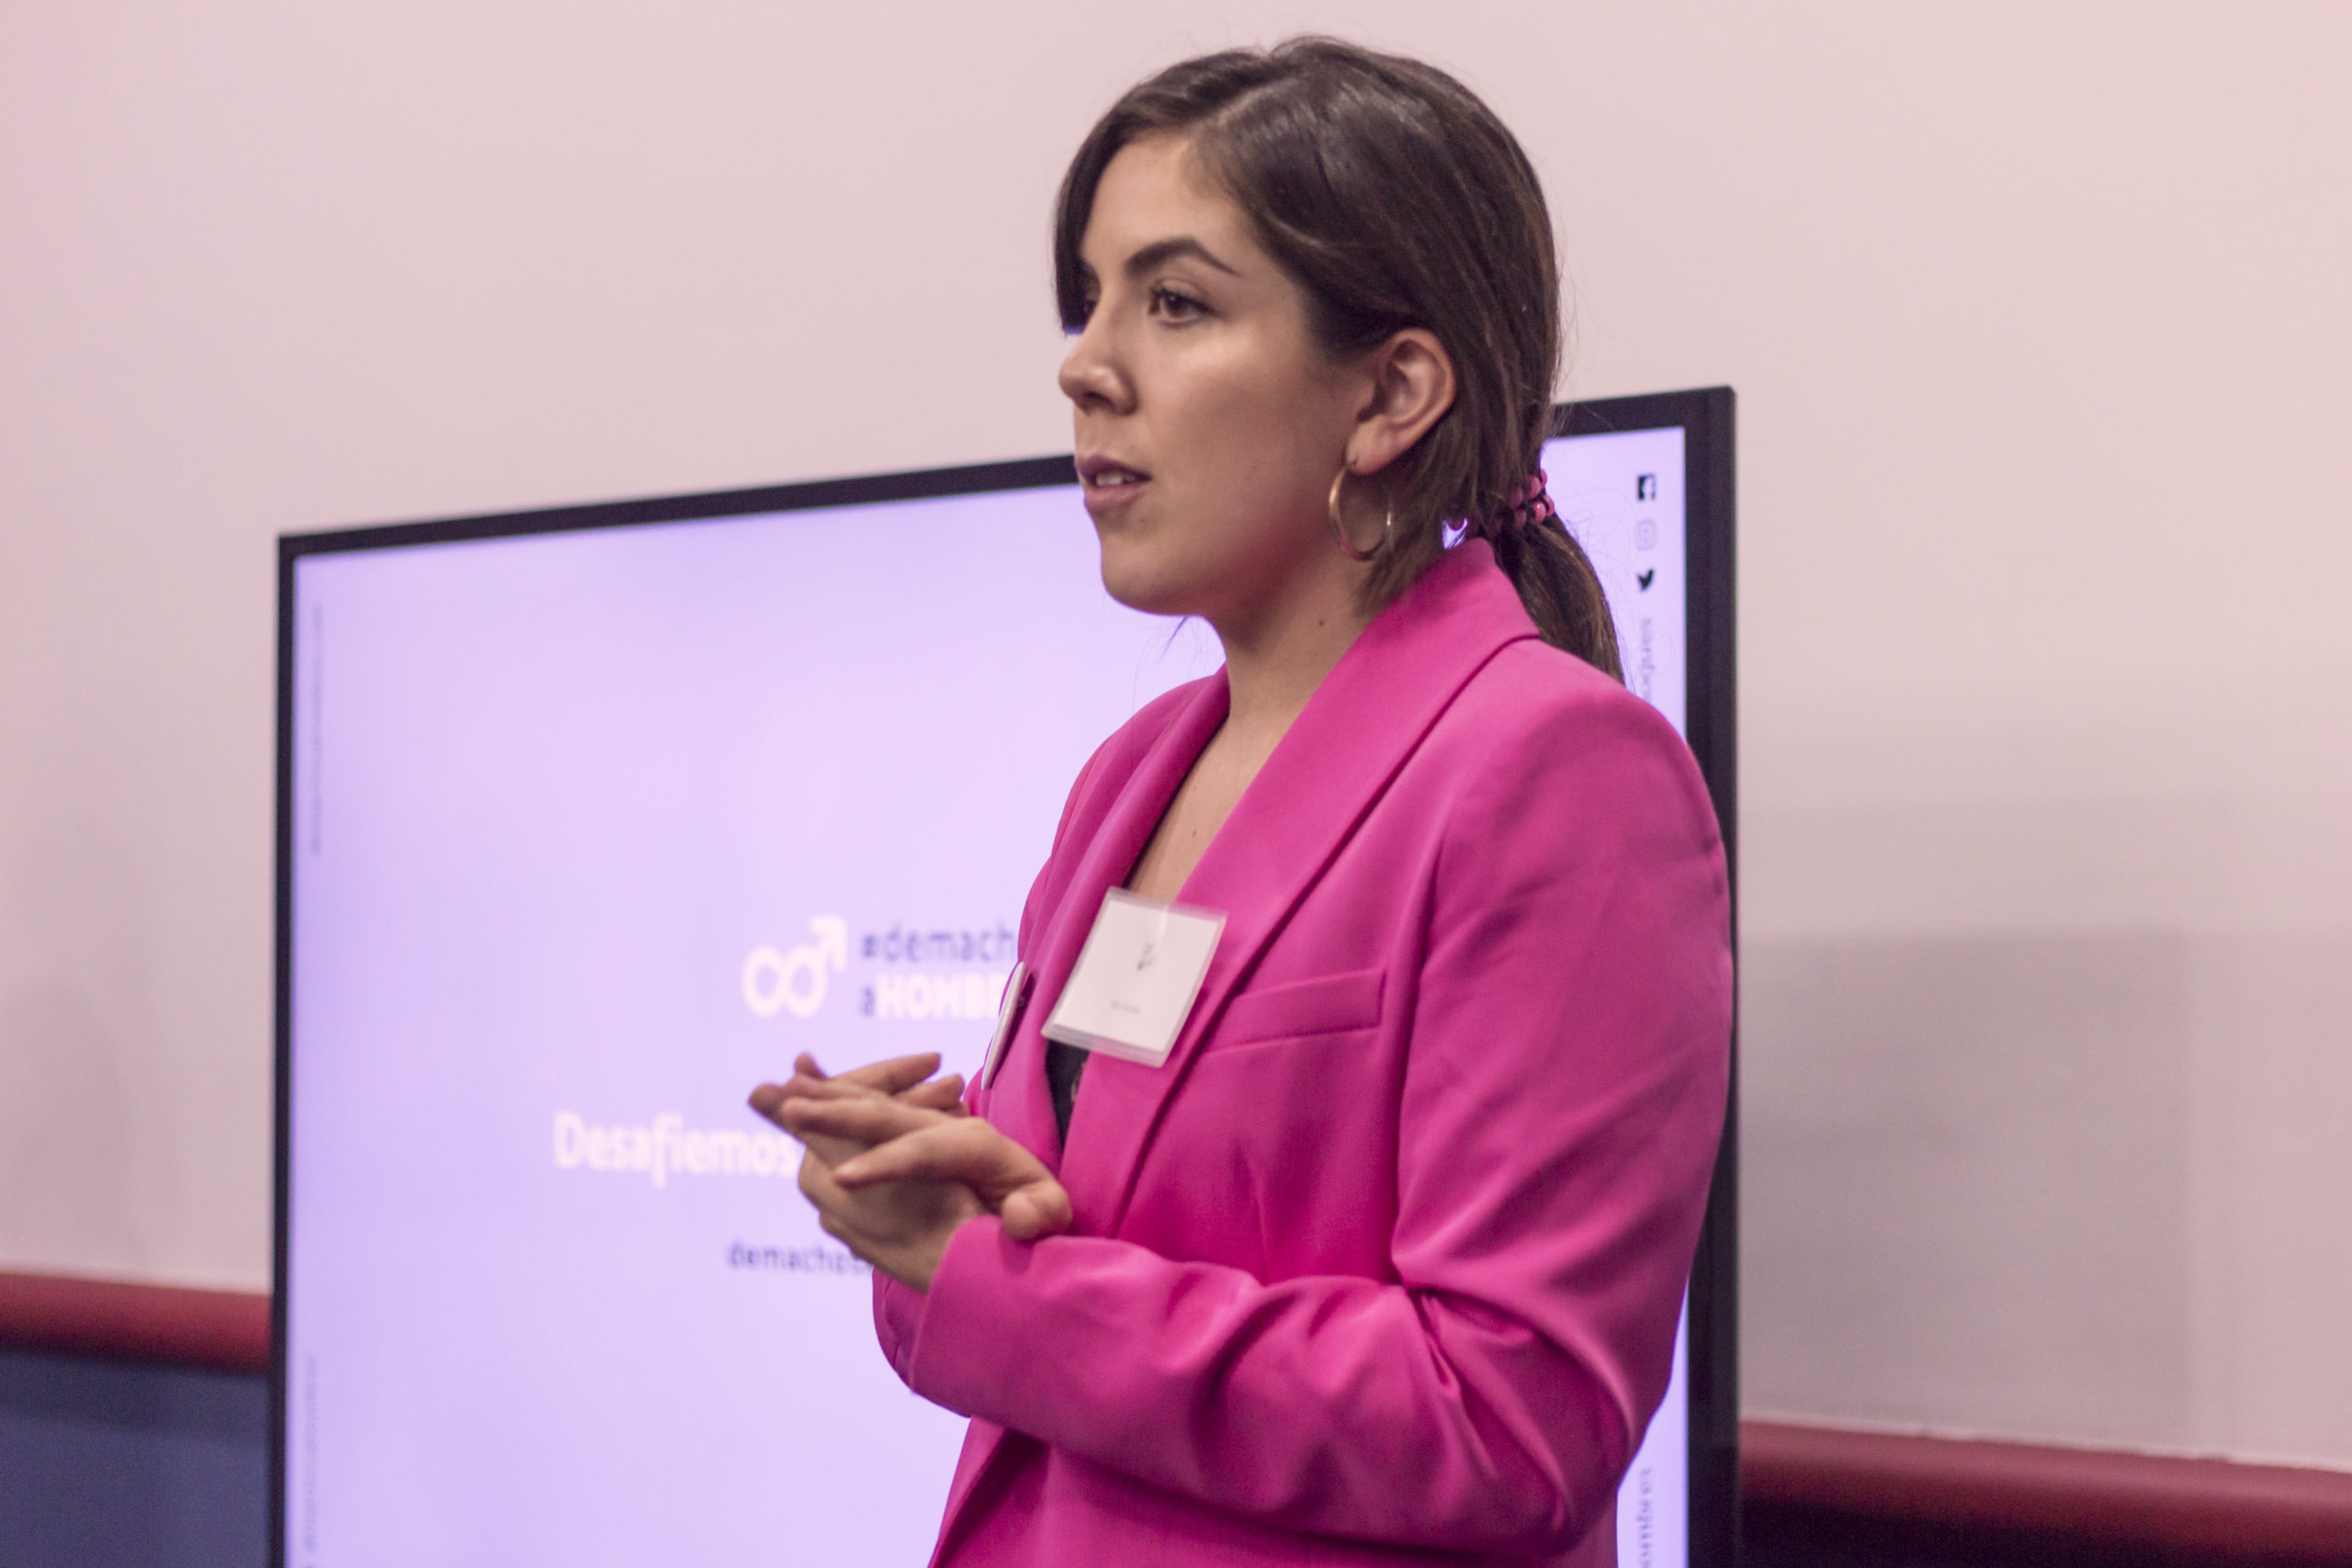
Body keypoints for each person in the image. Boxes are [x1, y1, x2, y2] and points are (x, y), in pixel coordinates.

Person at [750, 38, 1731, 1568]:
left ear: (1393, 391)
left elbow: (1512, 1422)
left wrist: (998, 1286)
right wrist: (930, 1217)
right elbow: (1059, 1286)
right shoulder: (1130, 774)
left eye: (1177, 302)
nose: (1084, 365)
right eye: (1089, 299)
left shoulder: (1557, 772)